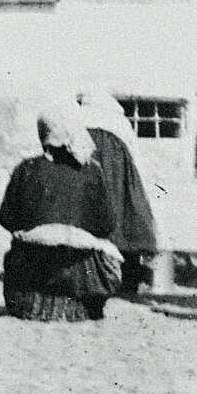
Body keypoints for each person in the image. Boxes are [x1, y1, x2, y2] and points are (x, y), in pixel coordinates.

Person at [0, 103, 122, 322]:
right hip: (82, 281)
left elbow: (6, 218)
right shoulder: (92, 171)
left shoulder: (25, 168)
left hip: (29, 287)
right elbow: (108, 225)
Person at [77, 91, 162, 292]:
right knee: (124, 218)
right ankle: (127, 277)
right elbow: (135, 156)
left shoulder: (79, 121)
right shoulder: (119, 123)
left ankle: (90, 275)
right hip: (118, 176)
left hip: (89, 174)